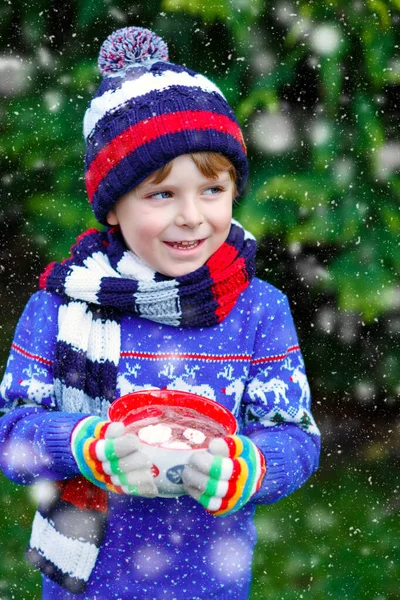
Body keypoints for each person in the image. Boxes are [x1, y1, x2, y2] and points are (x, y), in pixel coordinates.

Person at [0, 26, 320, 600]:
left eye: (212, 190)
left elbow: (294, 436)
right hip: (89, 583)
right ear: (113, 207)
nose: (192, 216)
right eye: (161, 194)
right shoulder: (60, 307)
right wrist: (85, 445)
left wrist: (247, 465)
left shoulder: (258, 310)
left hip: (208, 579)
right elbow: (11, 434)